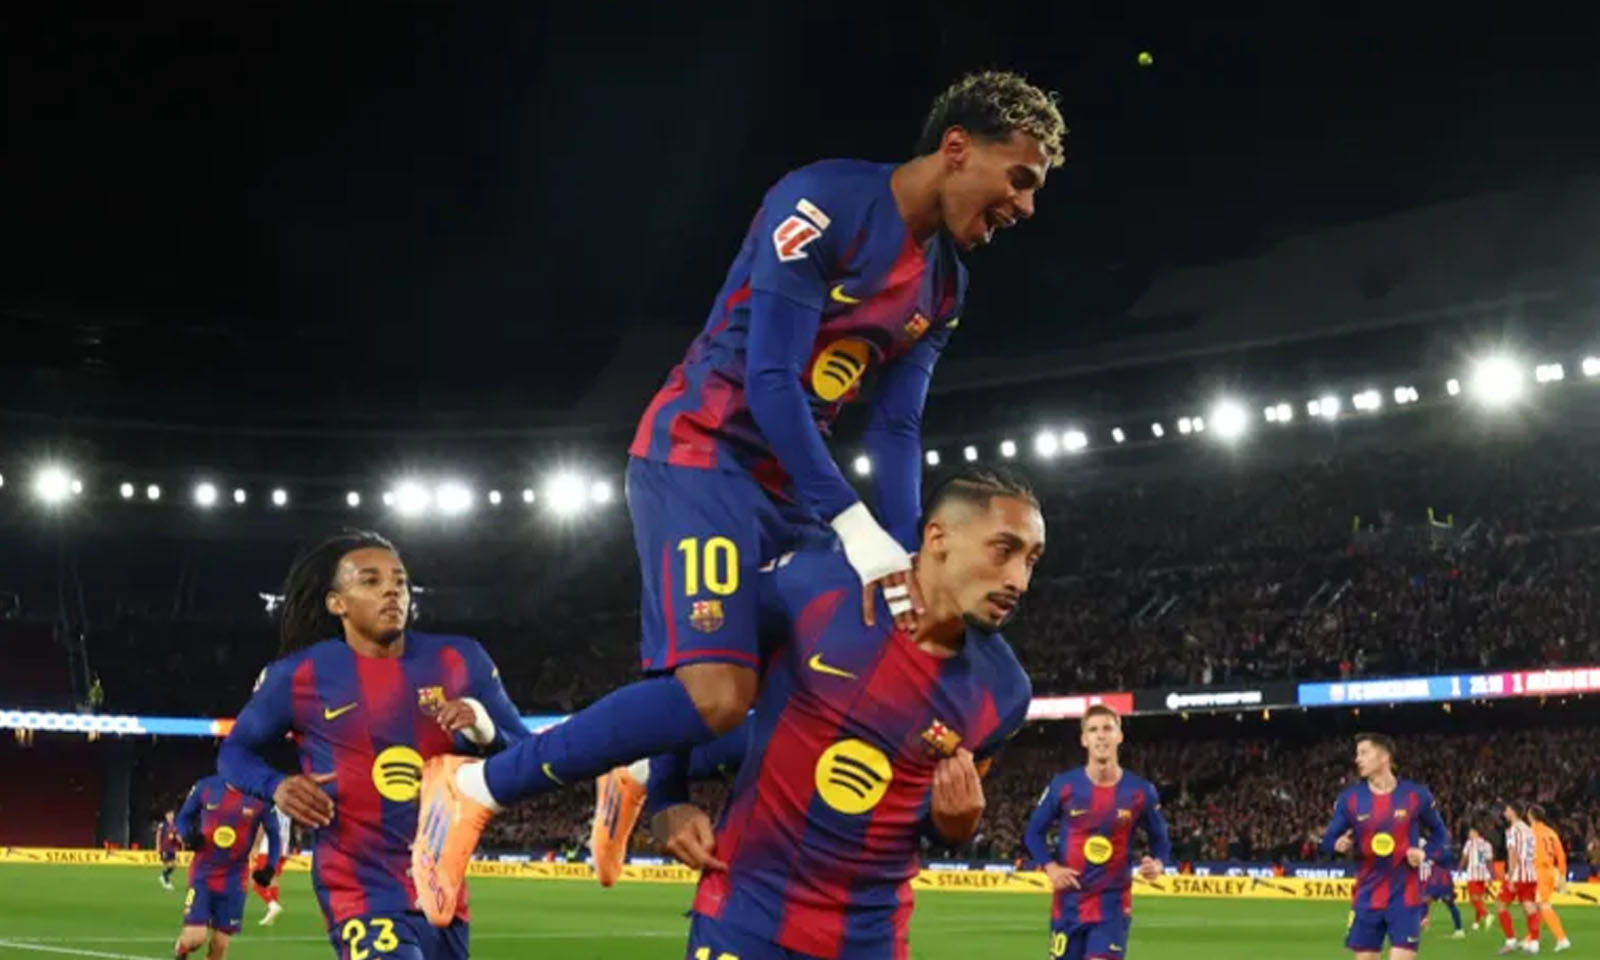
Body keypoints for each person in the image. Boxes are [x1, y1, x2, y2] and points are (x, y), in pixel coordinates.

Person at [410, 70, 1068, 898]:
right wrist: (855, 528)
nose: (1026, 206)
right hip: (702, 454)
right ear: (958, 148)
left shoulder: (945, 285)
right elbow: (771, 381)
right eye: (1021, 179)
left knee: (824, 680)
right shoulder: (821, 203)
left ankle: (642, 773)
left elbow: (897, 427)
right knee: (718, 694)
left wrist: (903, 551)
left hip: (793, 488)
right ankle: (472, 787)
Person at [650, 468, 1039, 958]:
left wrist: (954, 826)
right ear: (938, 538)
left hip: (868, 939)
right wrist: (666, 796)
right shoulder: (815, 585)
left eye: (1032, 560)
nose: (1019, 580)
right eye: (1004, 550)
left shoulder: (1005, 692)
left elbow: (933, 819)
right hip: (745, 912)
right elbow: (689, 660)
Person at [217, 530, 526, 960]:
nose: (392, 591)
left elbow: (528, 757)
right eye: (370, 581)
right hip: (357, 890)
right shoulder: (299, 675)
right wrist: (277, 786)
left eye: (400, 581)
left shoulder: (460, 660)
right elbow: (234, 753)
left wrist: (486, 730)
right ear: (336, 603)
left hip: (443, 890)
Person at [1023, 704, 1171, 960]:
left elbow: (1161, 840)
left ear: (1119, 736)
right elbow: (1033, 833)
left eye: (1107, 728)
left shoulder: (1141, 791)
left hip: (1112, 906)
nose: (1101, 736)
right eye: (1093, 730)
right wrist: (1051, 867)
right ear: (1084, 739)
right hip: (1068, 905)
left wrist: (1158, 864)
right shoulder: (1064, 786)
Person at [1320, 733, 1449, 960]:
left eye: (1364, 753)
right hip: (1367, 896)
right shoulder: (1350, 799)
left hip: (1406, 897)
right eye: (1357, 754)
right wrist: (1337, 844)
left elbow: (1441, 835)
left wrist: (1424, 853)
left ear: (1384, 757)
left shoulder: (1415, 795)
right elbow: (1328, 840)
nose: (1357, 759)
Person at [171, 774, 280, 960]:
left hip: (235, 878)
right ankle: (181, 950)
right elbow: (183, 818)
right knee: (195, 939)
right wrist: (188, 836)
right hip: (203, 874)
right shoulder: (206, 787)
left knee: (220, 945)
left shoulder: (261, 796)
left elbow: (275, 835)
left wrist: (270, 868)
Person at [1526, 804, 1573, 953]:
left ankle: (1562, 939)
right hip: (1550, 872)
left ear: (1531, 816)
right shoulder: (1551, 833)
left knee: (1543, 906)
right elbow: (1561, 856)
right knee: (1538, 906)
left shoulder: (1530, 832)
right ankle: (1530, 938)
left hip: (1538, 872)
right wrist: (1562, 877)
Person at [1497, 802, 1539, 954]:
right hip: (1530, 873)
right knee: (1529, 907)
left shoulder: (1513, 830)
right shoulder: (1528, 829)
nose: (1505, 812)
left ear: (1513, 812)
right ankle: (1534, 943)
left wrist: (1510, 875)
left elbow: (1512, 853)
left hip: (1518, 875)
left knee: (1501, 904)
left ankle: (1511, 941)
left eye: (1507, 810)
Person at [251, 805, 292, 925]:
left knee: (256, 879)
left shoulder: (268, 804)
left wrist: (256, 846)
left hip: (268, 847)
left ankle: (272, 905)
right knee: (272, 879)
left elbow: (262, 826)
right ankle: (271, 913)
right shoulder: (287, 806)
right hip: (283, 847)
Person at [1419, 852, 1463, 939]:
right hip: (1434, 881)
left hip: (1443, 881)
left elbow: (1447, 857)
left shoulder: (1441, 852)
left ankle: (1459, 930)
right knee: (1424, 900)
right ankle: (1423, 920)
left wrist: (1433, 858)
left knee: (1450, 904)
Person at [1461, 825, 1494, 931]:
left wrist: (1460, 868)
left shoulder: (1470, 843)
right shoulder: (1487, 844)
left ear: (1476, 833)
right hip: (1483, 874)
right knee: (1479, 899)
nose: (1469, 834)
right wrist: (1491, 874)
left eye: (1471, 832)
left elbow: (1465, 857)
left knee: (1474, 899)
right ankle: (1476, 923)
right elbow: (1489, 861)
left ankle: (1487, 915)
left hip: (1473, 874)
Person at [157, 808, 182, 890]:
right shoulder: (163, 825)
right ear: (166, 816)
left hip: (172, 848)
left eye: (172, 815)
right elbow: (158, 835)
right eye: (169, 815)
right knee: (168, 864)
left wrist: (180, 840)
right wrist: (158, 846)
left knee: (174, 865)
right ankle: (166, 882)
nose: (171, 816)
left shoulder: (174, 826)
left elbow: (176, 835)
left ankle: (163, 876)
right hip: (165, 848)